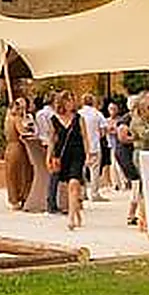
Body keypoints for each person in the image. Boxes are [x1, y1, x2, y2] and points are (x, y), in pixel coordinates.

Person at [48, 91, 87, 230]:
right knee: (68, 186)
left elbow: (85, 137)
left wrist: (88, 154)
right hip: (62, 155)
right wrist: (49, 157)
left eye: (72, 100)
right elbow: (52, 140)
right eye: (68, 100)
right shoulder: (54, 119)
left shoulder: (79, 118)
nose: (71, 103)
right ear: (62, 102)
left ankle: (70, 218)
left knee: (74, 183)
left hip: (77, 153)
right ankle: (77, 213)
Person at [113, 101, 142, 226]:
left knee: (137, 183)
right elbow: (122, 138)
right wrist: (138, 138)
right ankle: (131, 214)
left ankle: (134, 213)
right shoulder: (126, 120)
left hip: (127, 153)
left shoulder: (132, 119)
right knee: (136, 182)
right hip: (125, 154)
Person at [2, 98, 32, 210]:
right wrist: (29, 130)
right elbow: (22, 132)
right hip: (17, 148)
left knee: (10, 175)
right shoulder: (16, 119)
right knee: (20, 174)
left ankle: (13, 200)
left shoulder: (7, 119)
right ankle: (20, 197)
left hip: (9, 147)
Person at [34, 93, 60, 213]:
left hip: (41, 143)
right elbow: (52, 132)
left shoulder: (39, 114)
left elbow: (37, 131)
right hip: (51, 145)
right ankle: (52, 202)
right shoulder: (53, 114)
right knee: (54, 174)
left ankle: (50, 201)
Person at [79, 94, 107, 201]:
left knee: (81, 170)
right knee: (94, 170)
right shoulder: (97, 114)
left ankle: (83, 193)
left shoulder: (79, 113)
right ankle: (94, 193)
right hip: (94, 145)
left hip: (81, 146)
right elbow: (103, 131)